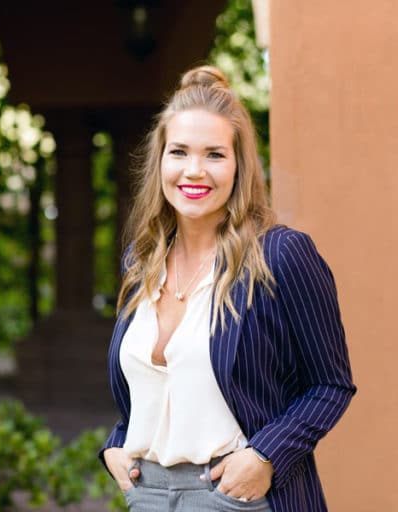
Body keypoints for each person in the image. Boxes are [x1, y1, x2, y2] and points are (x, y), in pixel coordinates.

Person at [100, 65, 356, 512]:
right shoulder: (141, 264)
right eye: (179, 152)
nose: (193, 171)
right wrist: (115, 445)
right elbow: (154, 388)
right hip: (148, 497)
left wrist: (266, 456)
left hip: (234, 496)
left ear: (239, 166)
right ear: (160, 161)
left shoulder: (279, 255)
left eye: (214, 155)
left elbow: (330, 384)